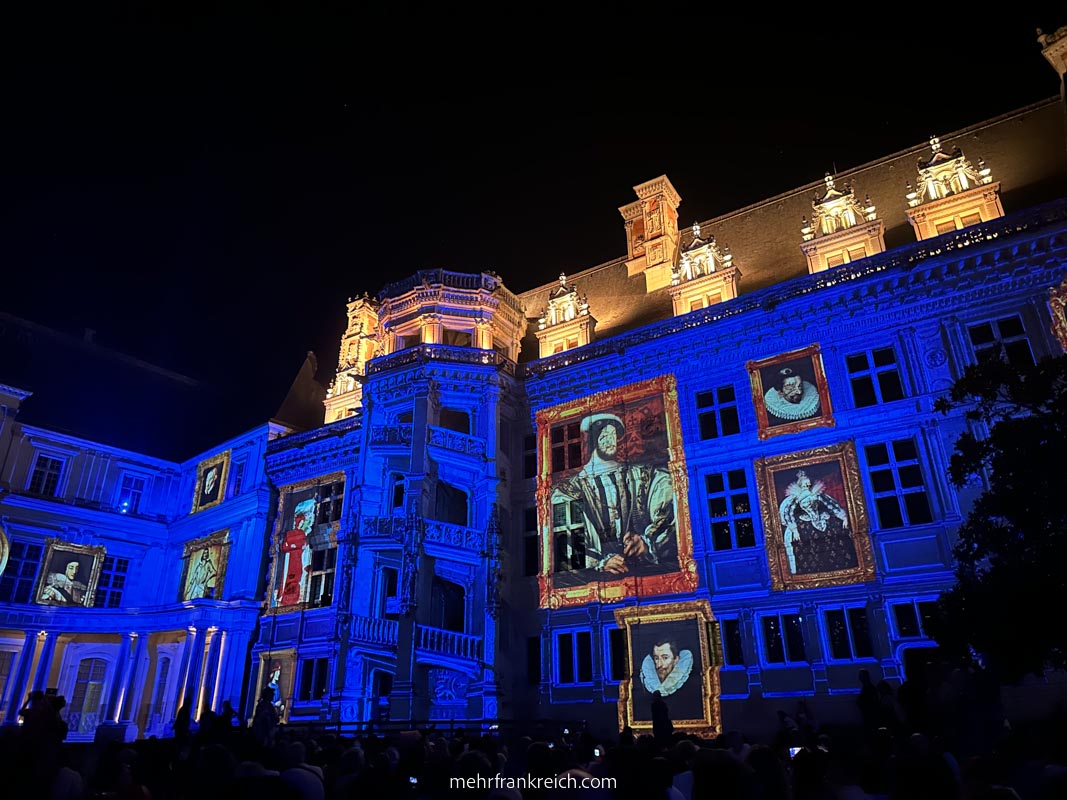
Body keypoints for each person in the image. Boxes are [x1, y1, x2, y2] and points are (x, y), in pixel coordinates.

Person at [551, 412, 677, 578]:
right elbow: (565, 538)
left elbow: (668, 505)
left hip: (642, 571)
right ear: (594, 440)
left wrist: (646, 542)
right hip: (595, 579)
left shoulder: (642, 475)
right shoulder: (569, 489)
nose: (610, 441)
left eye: (613, 435)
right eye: (604, 435)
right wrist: (599, 562)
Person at [779, 469, 856, 574]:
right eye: (805, 484)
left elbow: (831, 505)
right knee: (803, 536)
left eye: (808, 483)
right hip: (803, 520)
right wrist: (794, 529)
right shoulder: (794, 498)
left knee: (837, 528)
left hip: (821, 516)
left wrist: (844, 517)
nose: (808, 485)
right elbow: (788, 513)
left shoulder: (818, 494)